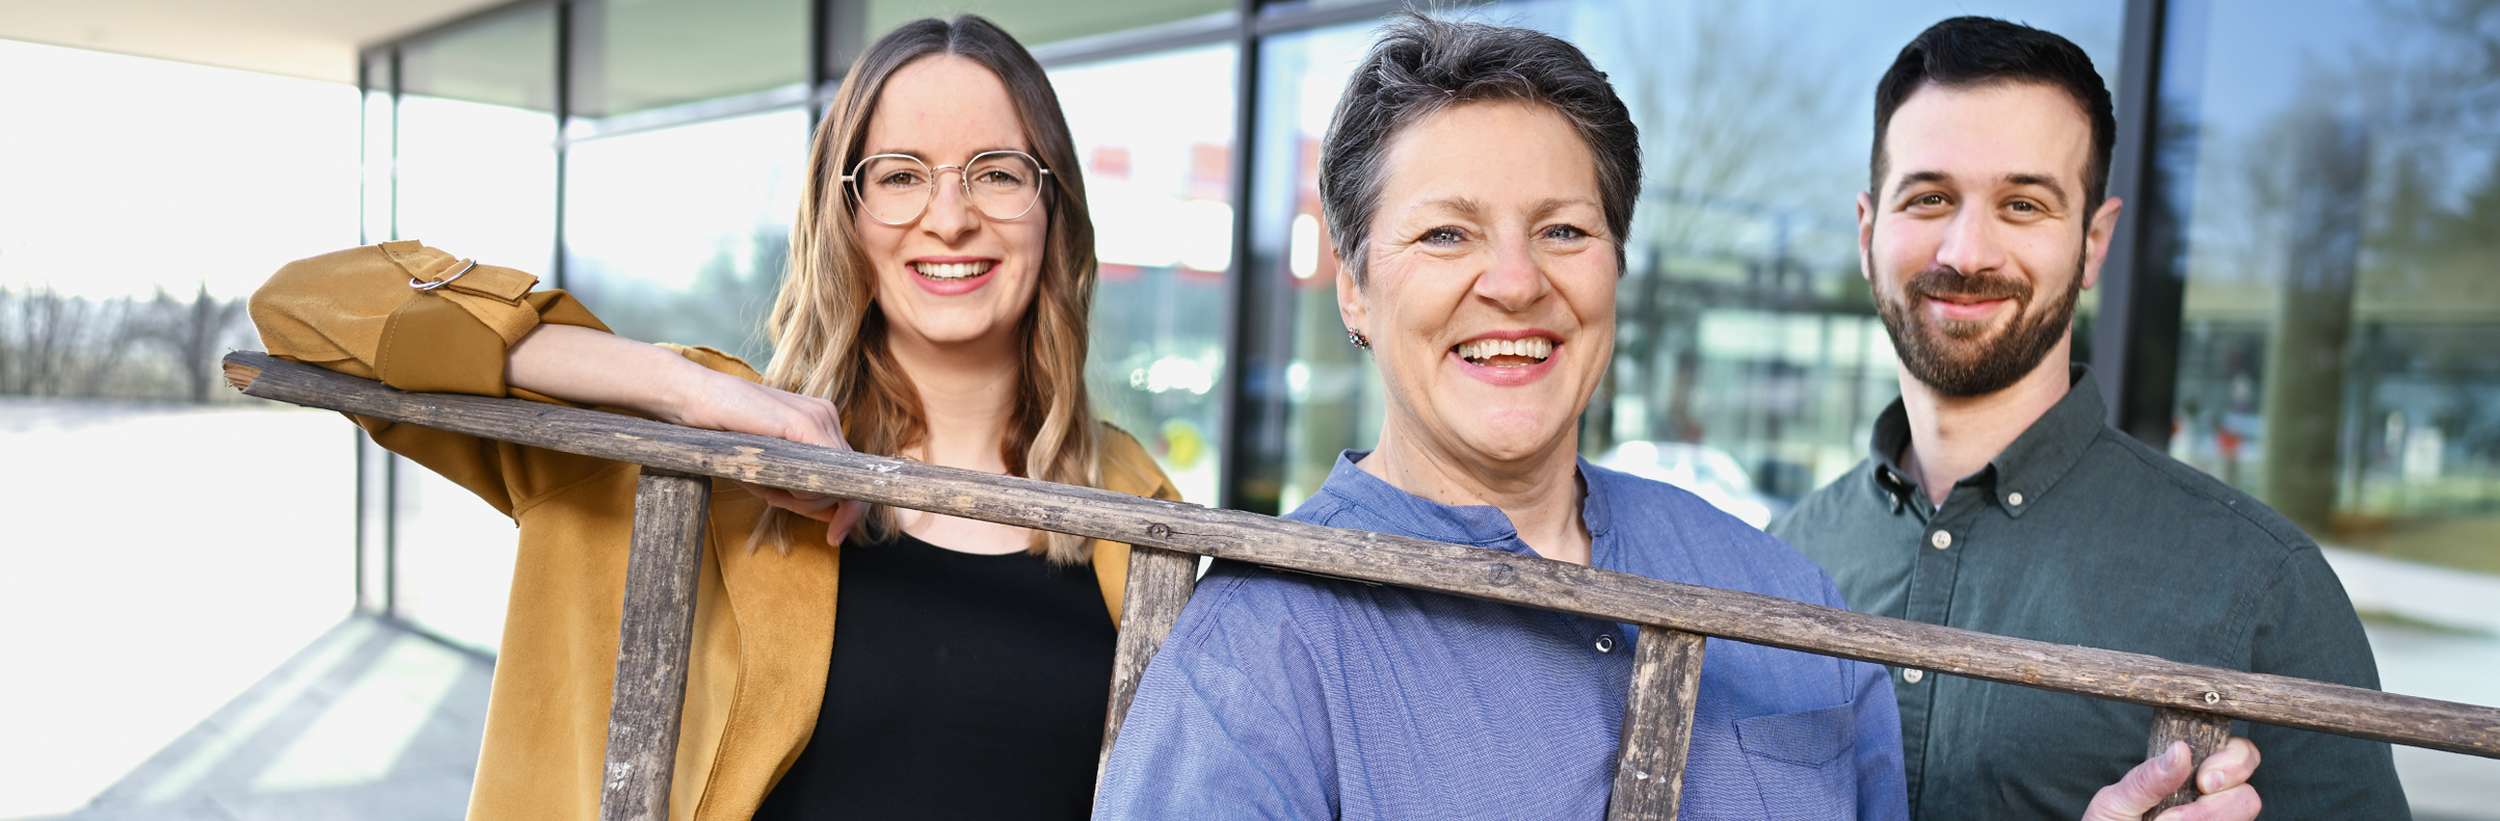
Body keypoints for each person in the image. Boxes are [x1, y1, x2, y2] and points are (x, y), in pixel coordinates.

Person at [249, 15, 1178, 820]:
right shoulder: (694, 454)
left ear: (1052, 205)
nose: (949, 216)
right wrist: (686, 389)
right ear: (843, 214)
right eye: (899, 175)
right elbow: (303, 306)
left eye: (996, 172)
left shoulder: (1139, 506)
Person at [1094, 17, 1908, 818]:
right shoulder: (1251, 661)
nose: (1515, 282)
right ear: (1355, 289)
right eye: (1447, 234)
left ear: (1616, 268)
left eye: (1563, 230)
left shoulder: (1786, 598)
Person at [1769, 15, 2406, 820]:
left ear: (2094, 242)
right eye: (1929, 197)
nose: (1967, 251)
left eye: (2023, 204)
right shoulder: (1779, 561)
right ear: (1868, 232)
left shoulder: (2263, 588)